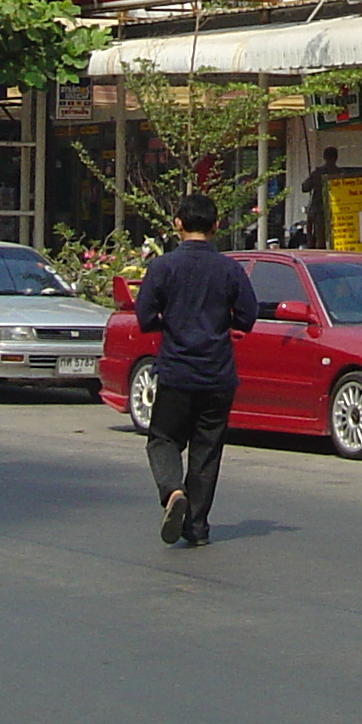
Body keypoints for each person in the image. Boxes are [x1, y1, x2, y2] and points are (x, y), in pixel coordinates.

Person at [132, 192, 259, 548]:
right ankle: (197, 526)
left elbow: (143, 317)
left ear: (178, 224)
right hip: (218, 374)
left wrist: (172, 323)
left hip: (176, 371)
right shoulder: (229, 268)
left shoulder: (163, 267)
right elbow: (247, 318)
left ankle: (173, 491)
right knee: (207, 449)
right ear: (216, 226)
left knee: (163, 438)